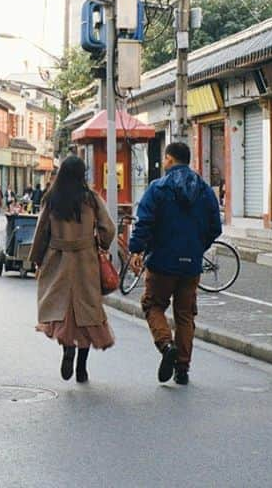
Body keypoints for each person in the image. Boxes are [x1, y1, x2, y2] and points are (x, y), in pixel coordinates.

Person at [128, 142, 222, 386]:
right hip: (191, 265)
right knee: (185, 315)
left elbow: (144, 221)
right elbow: (216, 227)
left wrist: (137, 249)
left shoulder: (158, 188)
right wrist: (197, 246)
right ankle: (182, 368)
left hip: (162, 261)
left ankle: (166, 345)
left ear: (169, 159)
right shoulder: (204, 190)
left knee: (153, 304)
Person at [31, 155, 116, 382]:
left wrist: (37, 258)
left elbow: (41, 231)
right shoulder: (91, 199)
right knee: (86, 312)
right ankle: (81, 367)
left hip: (57, 259)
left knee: (62, 309)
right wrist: (101, 244)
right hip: (85, 260)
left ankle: (67, 350)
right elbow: (108, 228)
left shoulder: (52, 199)